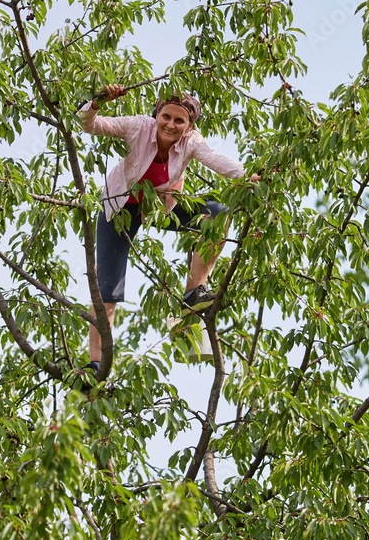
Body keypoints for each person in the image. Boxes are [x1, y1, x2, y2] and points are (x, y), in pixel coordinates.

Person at [79, 84, 260, 370]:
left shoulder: (191, 142)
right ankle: (96, 364)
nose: (171, 125)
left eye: (179, 120)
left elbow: (216, 160)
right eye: (166, 117)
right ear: (157, 115)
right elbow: (89, 125)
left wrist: (252, 175)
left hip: (160, 207)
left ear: (189, 126)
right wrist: (97, 101)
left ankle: (193, 293)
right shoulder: (139, 127)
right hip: (119, 209)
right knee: (107, 291)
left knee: (217, 214)